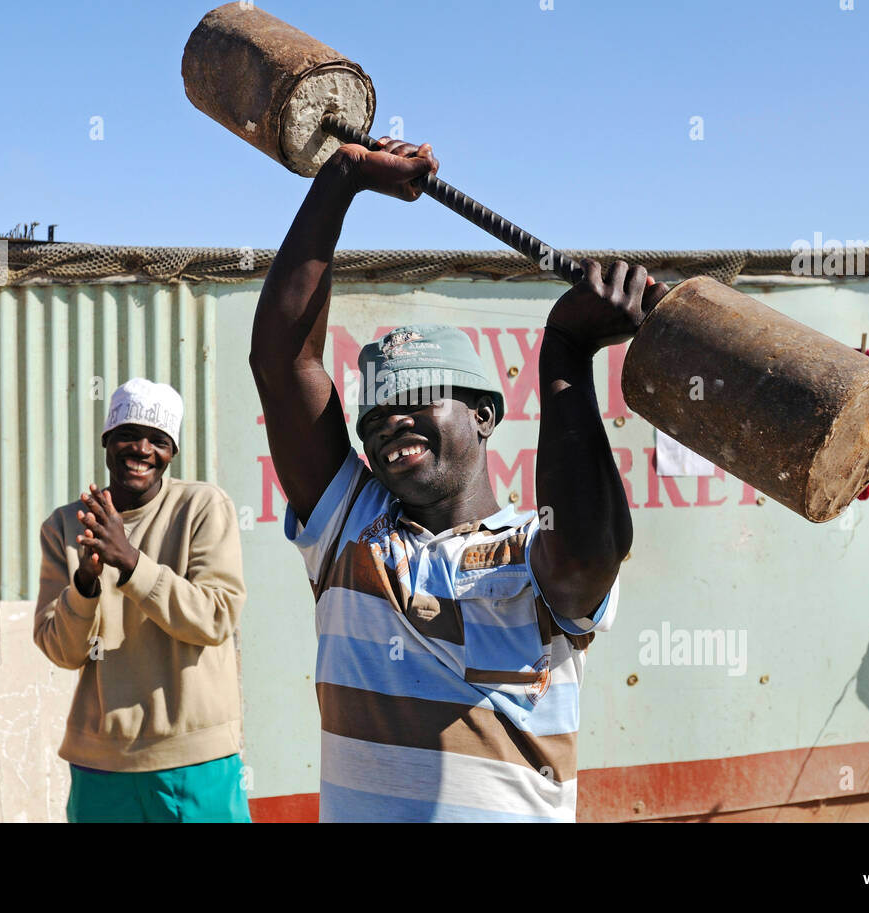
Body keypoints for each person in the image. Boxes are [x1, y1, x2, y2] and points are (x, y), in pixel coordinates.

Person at [249, 136, 667, 822]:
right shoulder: (350, 531)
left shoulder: (538, 551)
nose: (392, 420)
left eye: (420, 397)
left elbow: (591, 557)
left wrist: (566, 352)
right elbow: (280, 358)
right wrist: (343, 177)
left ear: (483, 415)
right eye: (376, 412)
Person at [33, 377, 251, 822]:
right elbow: (63, 651)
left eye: (158, 440)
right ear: (106, 441)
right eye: (128, 436)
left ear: (172, 451)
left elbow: (215, 617)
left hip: (195, 759)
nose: (142, 450)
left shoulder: (203, 507)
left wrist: (130, 562)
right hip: (102, 766)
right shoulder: (65, 526)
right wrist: (87, 583)